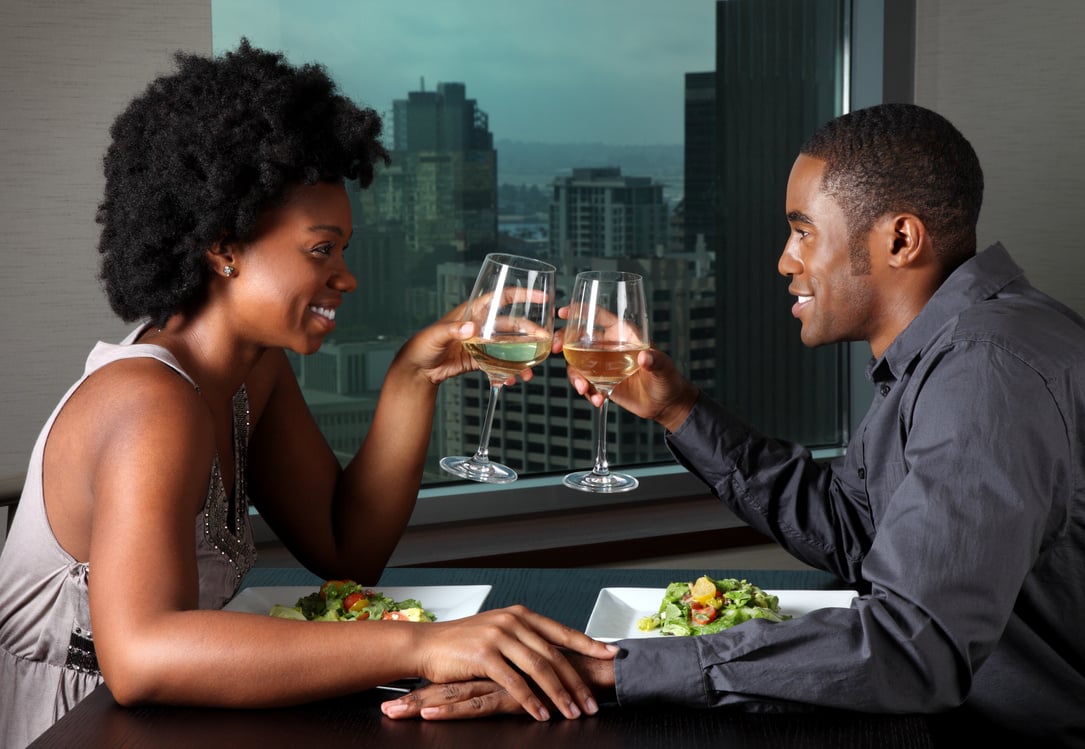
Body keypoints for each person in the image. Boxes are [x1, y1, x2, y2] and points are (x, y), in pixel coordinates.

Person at [380, 103, 1085, 744]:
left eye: (802, 232)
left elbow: (911, 649)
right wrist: (675, 407)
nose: (785, 261)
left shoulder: (987, 370)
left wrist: (605, 669)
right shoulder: (951, 350)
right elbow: (852, 530)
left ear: (900, 239)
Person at [0, 40, 614, 748]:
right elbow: (141, 658)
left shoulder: (250, 372)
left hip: (169, 723)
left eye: (345, 250)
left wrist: (414, 373)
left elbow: (345, 548)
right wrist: (423, 645)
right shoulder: (149, 399)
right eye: (322, 249)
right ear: (223, 247)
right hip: (74, 727)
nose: (346, 277)